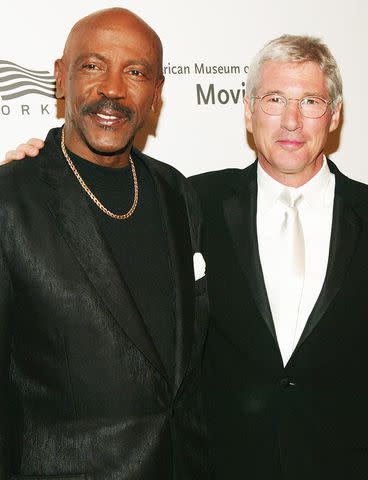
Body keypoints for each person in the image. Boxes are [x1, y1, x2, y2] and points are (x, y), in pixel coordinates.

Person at [0, 7, 209, 480]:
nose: (113, 89)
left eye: (135, 72)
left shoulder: (177, 192)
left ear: (156, 93)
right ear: (59, 78)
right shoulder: (11, 200)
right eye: (93, 65)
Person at [191, 34, 368, 480]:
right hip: (223, 466)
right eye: (274, 99)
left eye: (310, 101)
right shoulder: (193, 201)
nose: (291, 120)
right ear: (249, 113)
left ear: (335, 115)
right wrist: (38, 168)